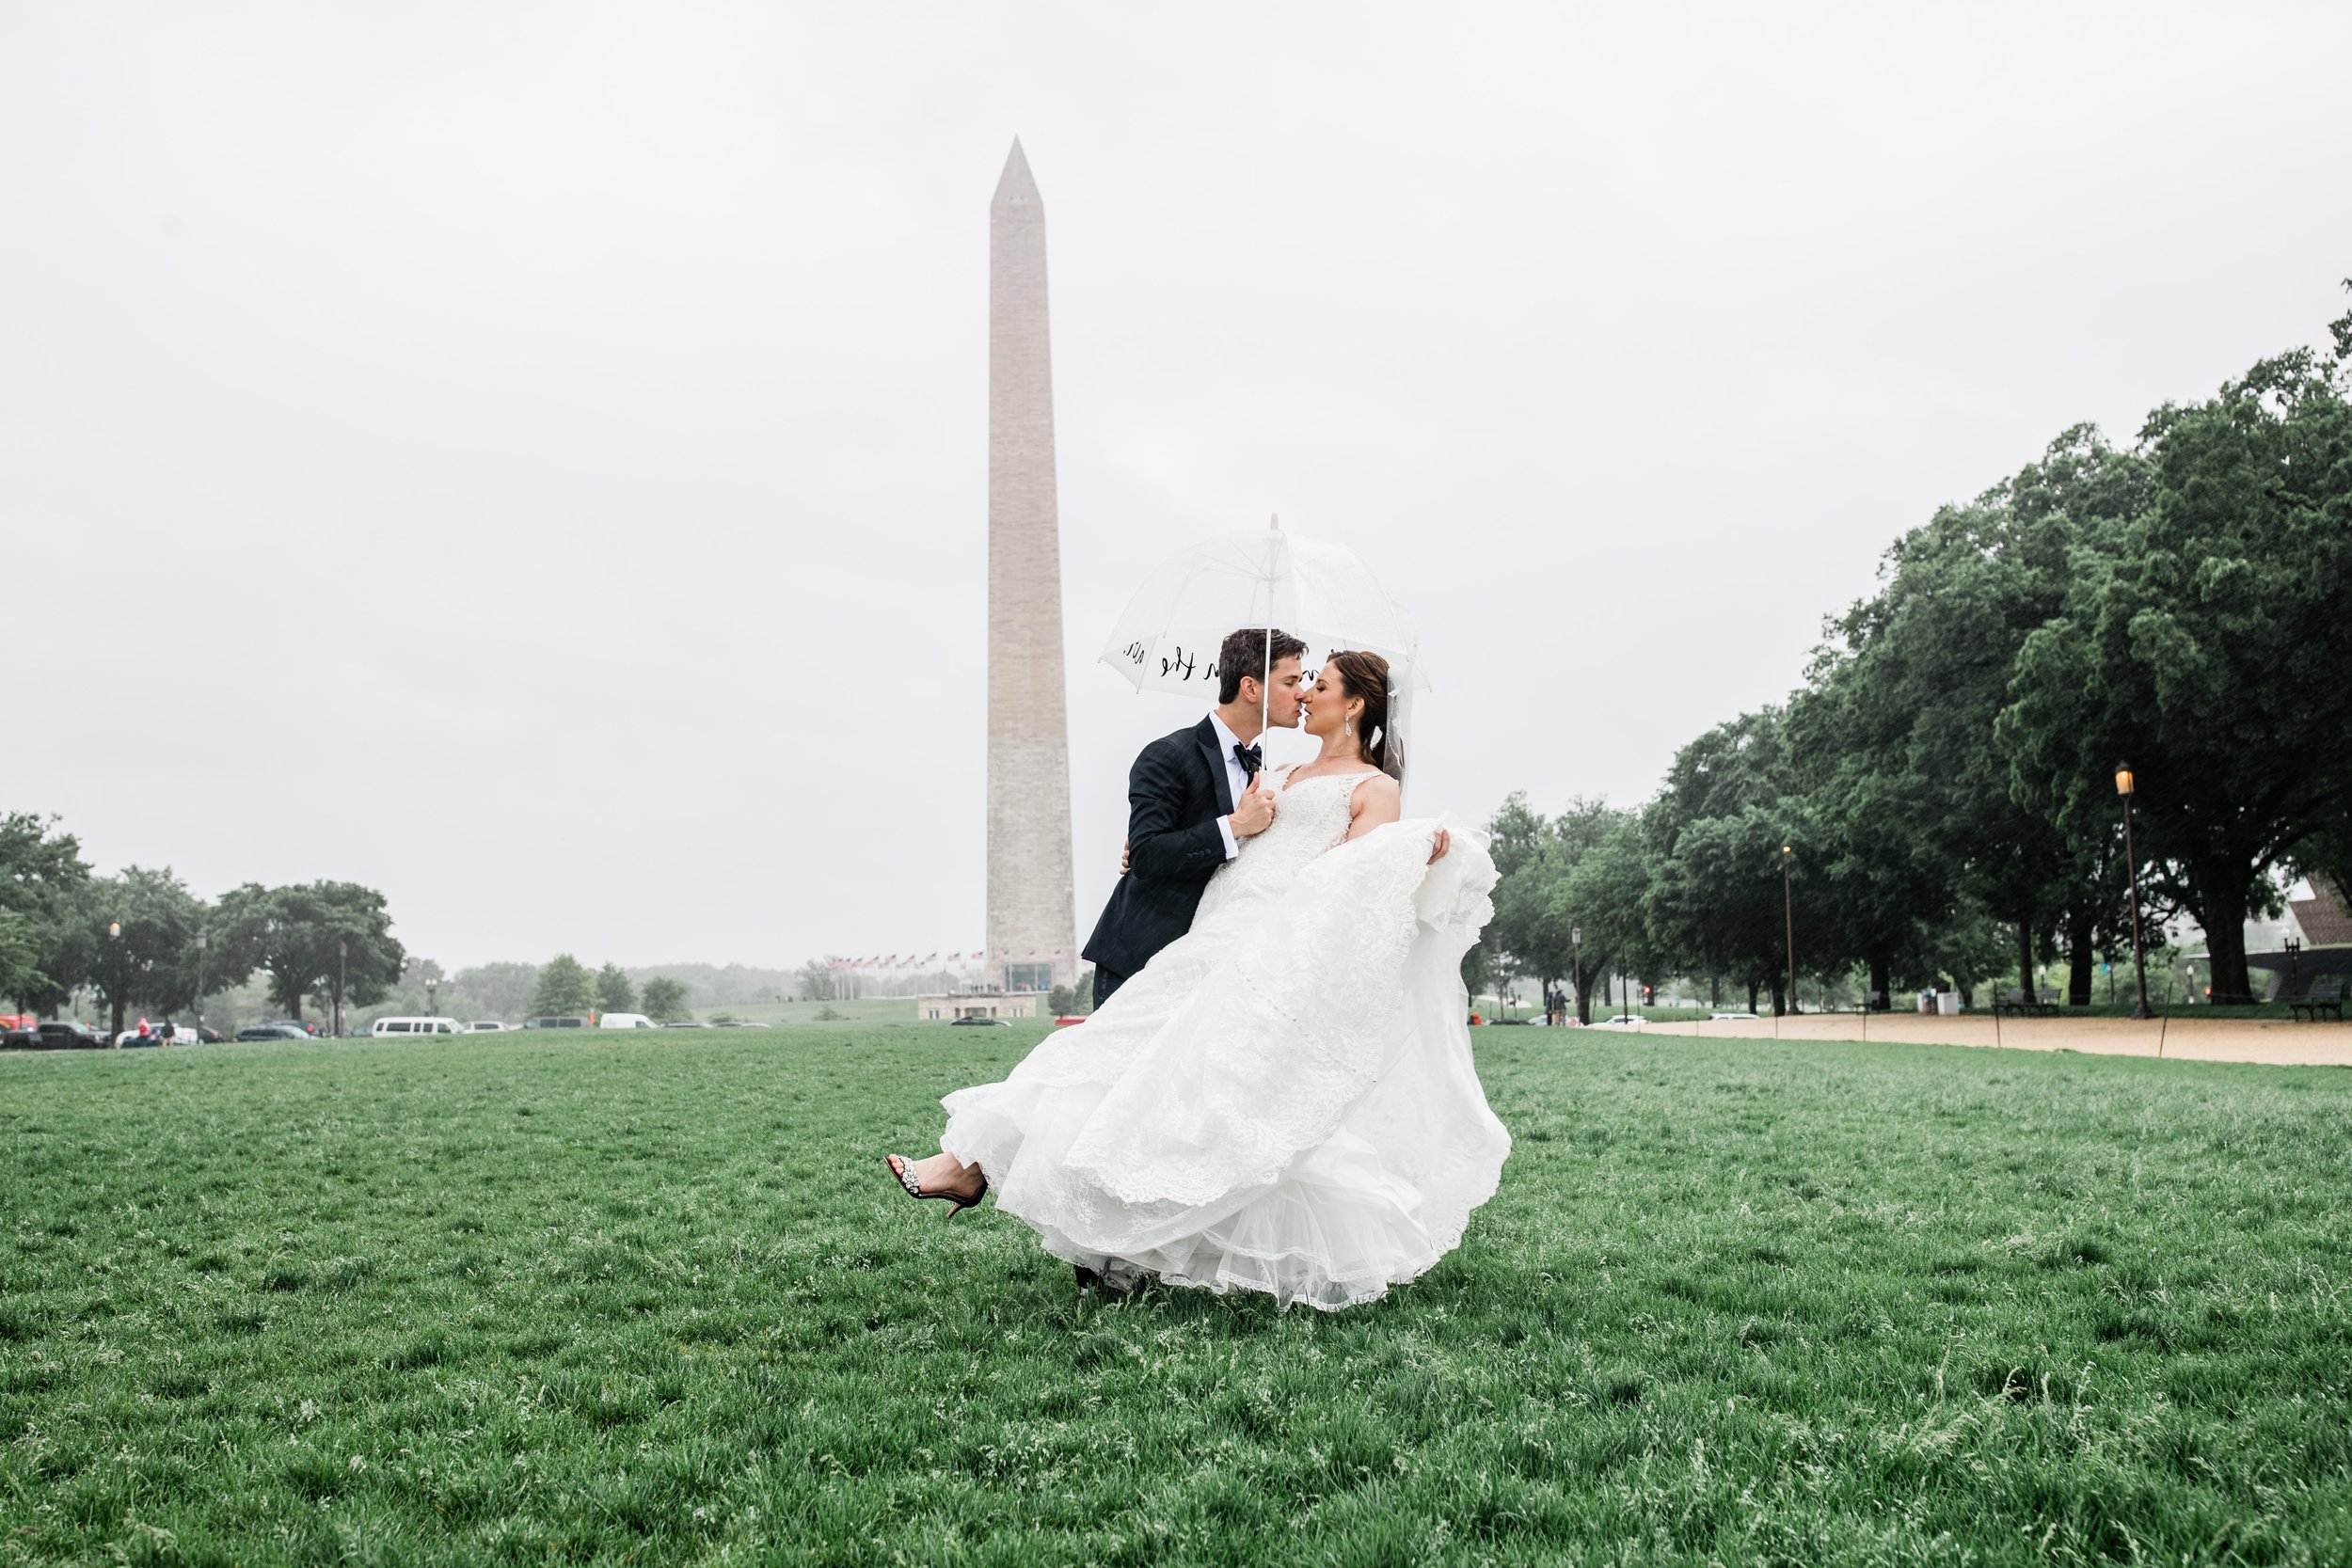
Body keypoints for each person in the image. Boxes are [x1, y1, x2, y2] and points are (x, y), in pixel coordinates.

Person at [885, 650, 1510, 1311]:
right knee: (1114, 1054)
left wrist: (1413, 848)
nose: (1305, 696)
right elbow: (1235, 848)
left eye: (1318, 686)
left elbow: (1352, 891)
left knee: (1183, 1089)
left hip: (1271, 955)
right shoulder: (1281, 771)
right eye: (1300, 682)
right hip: (1212, 935)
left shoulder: (1374, 789)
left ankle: (992, 1179)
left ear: (1354, 705)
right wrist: (1211, 831)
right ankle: (983, 1170)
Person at [1078, 626, 1309, 1010]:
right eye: (1290, 681)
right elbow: (1148, 854)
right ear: (1251, 689)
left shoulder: (1263, 770)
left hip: (1211, 962)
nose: (1302, 693)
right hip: (1143, 956)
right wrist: (1235, 826)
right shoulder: (1167, 754)